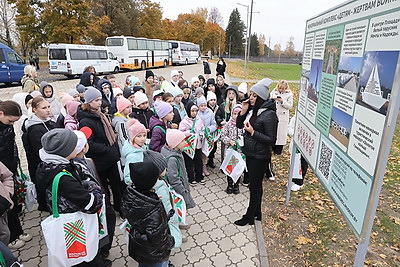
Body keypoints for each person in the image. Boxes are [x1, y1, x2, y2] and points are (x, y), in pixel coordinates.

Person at [36, 128, 111, 267]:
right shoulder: (63, 178)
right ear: (66, 150)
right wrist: (93, 186)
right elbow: (92, 204)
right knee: (83, 257)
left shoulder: (50, 166)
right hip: (75, 226)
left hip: (71, 221)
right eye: (74, 145)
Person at [234, 78, 278, 226]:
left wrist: (253, 132)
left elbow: (271, 139)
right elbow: (239, 125)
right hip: (251, 153)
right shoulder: (254, 110)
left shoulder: (269, 115)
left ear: (261, 97)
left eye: (254, 95)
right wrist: (244, 110)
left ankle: (249, 216)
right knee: (256, 186)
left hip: (260, 157)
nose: (250, 98)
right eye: (250, 94)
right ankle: (257, 212)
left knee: (254, 186)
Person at [77, 87, 123, 213]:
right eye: (96, 100)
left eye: (100, 99)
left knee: (117, 186)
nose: (100, 102)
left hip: (111, 158)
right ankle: (107, 211)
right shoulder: (85, 121)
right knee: (103, 188)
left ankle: (120, 208)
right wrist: (108, 149)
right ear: (89, 102)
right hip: (100, 161)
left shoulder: (101, 114)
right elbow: (88, 144)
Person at [72, 129, 116, 259]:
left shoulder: (87, 160)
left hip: (98, 200)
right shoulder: (79, 166)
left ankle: (102, 249)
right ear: (84, 147)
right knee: (105, 223)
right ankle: (101, 251)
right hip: (94, 203)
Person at [120, 161, 175, 267]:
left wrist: (151, 199)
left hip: (140, 246)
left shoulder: (130, 195)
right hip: (154, 253)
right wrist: (170, 242)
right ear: (151, 182)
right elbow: (158, 237)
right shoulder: (153, 210)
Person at [0, 100, 32, 249]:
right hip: (1, 173)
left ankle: (18, 231)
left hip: (9, 169)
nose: (11, 124)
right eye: (10, 121)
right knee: (5, 205)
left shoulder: (8, 127)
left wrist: (14, 164)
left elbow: (12, 145)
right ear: (1, 114)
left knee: (12, 202)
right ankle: (11, 237)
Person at [143, 150, 183, 248]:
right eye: (164, 167)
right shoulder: (159, 189)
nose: (166, 169)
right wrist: (174, 219)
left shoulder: (153, 183)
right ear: (158, 171)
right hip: (165, 223)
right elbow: (167, 207)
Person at [21, 97, 56, 206]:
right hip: (43, 165)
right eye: (44, 108)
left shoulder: (48, 121)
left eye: (49, 107)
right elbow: (39, 151)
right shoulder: (35, 128)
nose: (48, 110)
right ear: (35, 110)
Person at [220, 105, 249, 192]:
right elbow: (223, 135)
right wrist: (229, 141)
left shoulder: (244, 125)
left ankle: (236, 185)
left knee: (238, 168)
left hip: (240, 151)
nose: (236, 116)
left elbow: (247, 136)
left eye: (238, 114)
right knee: (230, 167)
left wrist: (242, 142)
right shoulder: (228, 125)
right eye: (234, 114)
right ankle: (229, 185)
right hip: (230, 150)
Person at [179, 102, 204, 185]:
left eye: (196, 111)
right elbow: (181, 133)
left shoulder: (199, 120)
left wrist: (202, 134)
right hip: (189, 146)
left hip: (198, 145)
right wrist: (189, 132)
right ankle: (191, 178)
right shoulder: (184, 122)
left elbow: (202, 129)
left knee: (199, 161)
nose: (194, 113)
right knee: (189, 162)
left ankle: (199, 176)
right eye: (192, 111)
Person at [215, 85, 239, 161]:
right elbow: (217, 115)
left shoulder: (238, 105)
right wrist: (220, 121)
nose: (231, 95)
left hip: (236, 128)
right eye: (229, 93)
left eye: (233, 93)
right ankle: (224, 162)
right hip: (226, 128)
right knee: (224, 147)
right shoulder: (223, 105)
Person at [122, 119, 148, 185]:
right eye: (139, 136)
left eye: (144, 135)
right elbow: (128, 177)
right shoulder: (132, 156)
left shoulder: (142, 147)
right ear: (132, 138)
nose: (143, 139)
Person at [287, 113, 308, 191]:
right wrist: (295, 133)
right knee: (294, 162)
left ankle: (299, 182)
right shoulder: (295, 117)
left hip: (305, 145)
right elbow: (289, 128)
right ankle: (293, 179)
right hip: (295, 143)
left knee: (302, 163)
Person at [196, 96, 217, 176]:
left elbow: (214, 125)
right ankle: (200, 167)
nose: (203, 107)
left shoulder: (210, 113)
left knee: (205, 153)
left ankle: (204, 166)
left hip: (207, 137)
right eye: (201, 106)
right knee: (199, 153)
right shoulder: (197, 114)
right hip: (199, 137)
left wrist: (208, 129)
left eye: (205, 105)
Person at [112, 97, 133, 168]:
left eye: (130, 107)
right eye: (127, 107)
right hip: (126, 151)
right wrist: (130, 146)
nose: (130, 109)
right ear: (122, 109)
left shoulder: (127, 119)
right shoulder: (120, 122)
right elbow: (123, 137)